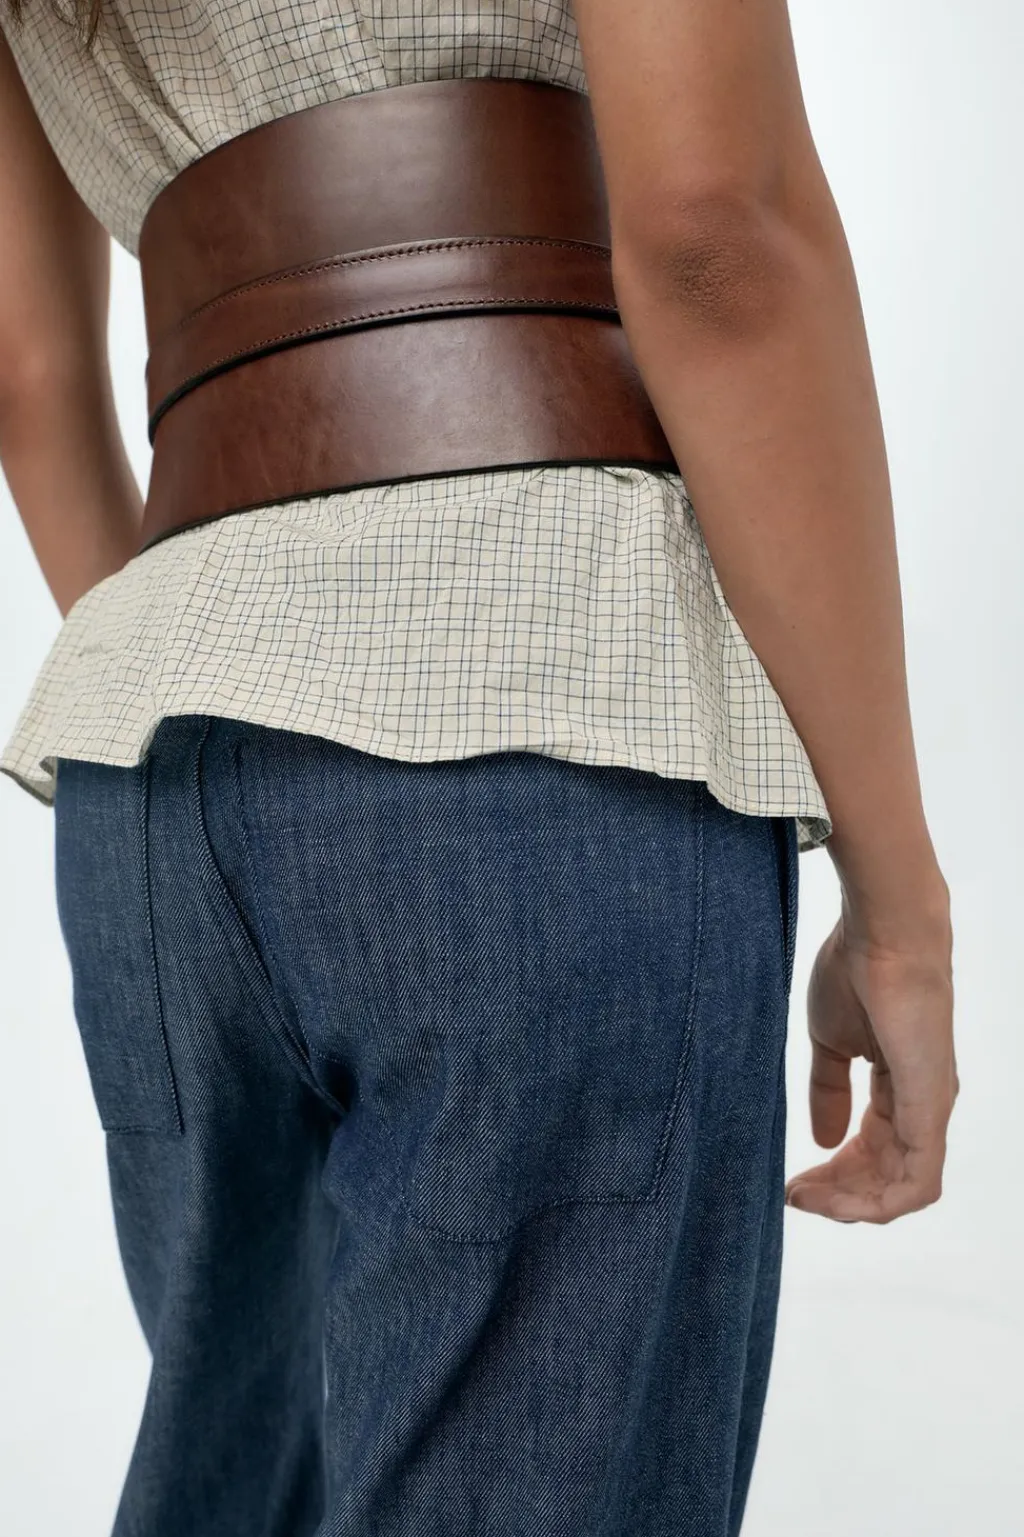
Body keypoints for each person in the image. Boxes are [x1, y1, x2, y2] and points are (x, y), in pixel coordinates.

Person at [0, 2, 957, 1534]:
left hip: (152, 776)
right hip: (541, 699)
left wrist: (211, 669)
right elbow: (716, 235)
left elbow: (28, 372)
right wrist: (896, 903)